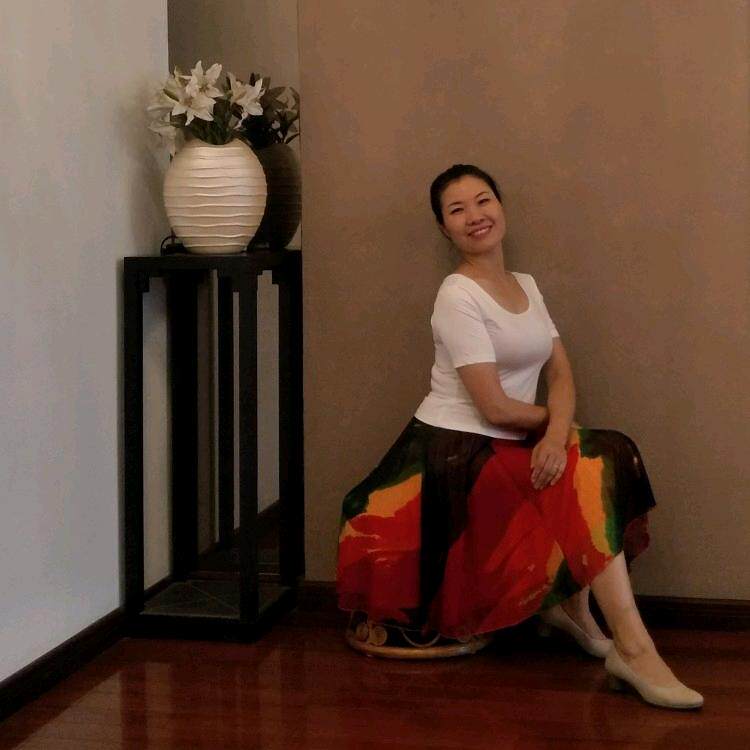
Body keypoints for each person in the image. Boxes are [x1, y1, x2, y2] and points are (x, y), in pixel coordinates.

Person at [337, 164, 703, 710]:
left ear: (501, 206)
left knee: (614, 451)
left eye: (483, 200)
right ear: (444, 228)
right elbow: (493, 406)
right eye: (457, 209)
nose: (474, 216)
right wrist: (555, 431)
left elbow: (561, 373)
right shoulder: (456, 295)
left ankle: (573, 610)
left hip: (513, 436)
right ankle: (633, 649)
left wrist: (555, 434)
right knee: (581, 473)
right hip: (455, 447)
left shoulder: (525, 285)